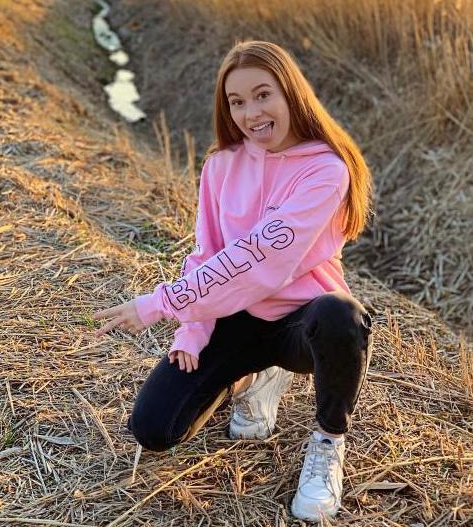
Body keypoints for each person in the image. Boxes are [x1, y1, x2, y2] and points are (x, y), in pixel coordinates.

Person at [93, 40, 374, 522]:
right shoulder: (221, 165)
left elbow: (262, 254)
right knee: (155, 429)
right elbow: (208, 253)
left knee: (341, 315)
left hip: (300, 321)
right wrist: (194, 328)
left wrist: (160, 304)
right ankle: (252, 380)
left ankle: (328, 441)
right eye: (237, 101)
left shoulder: (326, 169)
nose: (251, 113)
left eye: (263, 95)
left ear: (291, 93)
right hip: (236, 317)